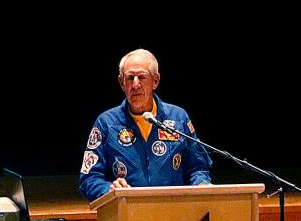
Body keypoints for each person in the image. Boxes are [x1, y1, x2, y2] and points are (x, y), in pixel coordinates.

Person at [79, 49, 212, 201]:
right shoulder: (106, 123)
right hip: (127, 212)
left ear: (155, 81)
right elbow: (89, 178)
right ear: (121, 82)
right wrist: (109, 190)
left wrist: (202, 185)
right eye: (130, 78)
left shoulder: (178, 118)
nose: (135, 84)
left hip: (173, 210)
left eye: (142, 77)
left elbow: (197, 168)